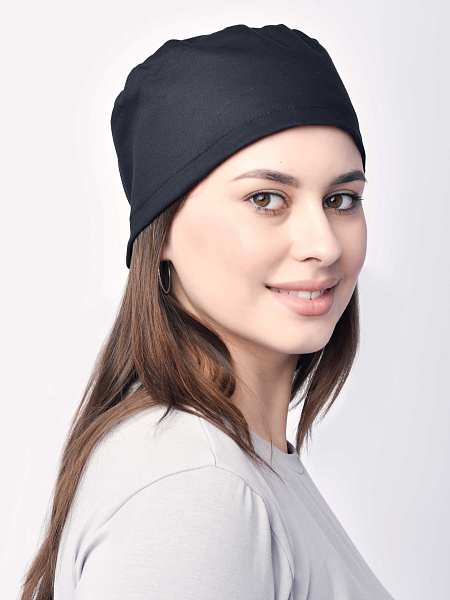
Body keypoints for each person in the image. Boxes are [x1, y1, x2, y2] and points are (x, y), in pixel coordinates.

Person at [20, 24, 395, 599]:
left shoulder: (237, 464)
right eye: (266, 199)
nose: (324, 244)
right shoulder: (195, 485)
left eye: (340, 199)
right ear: (163, 229)